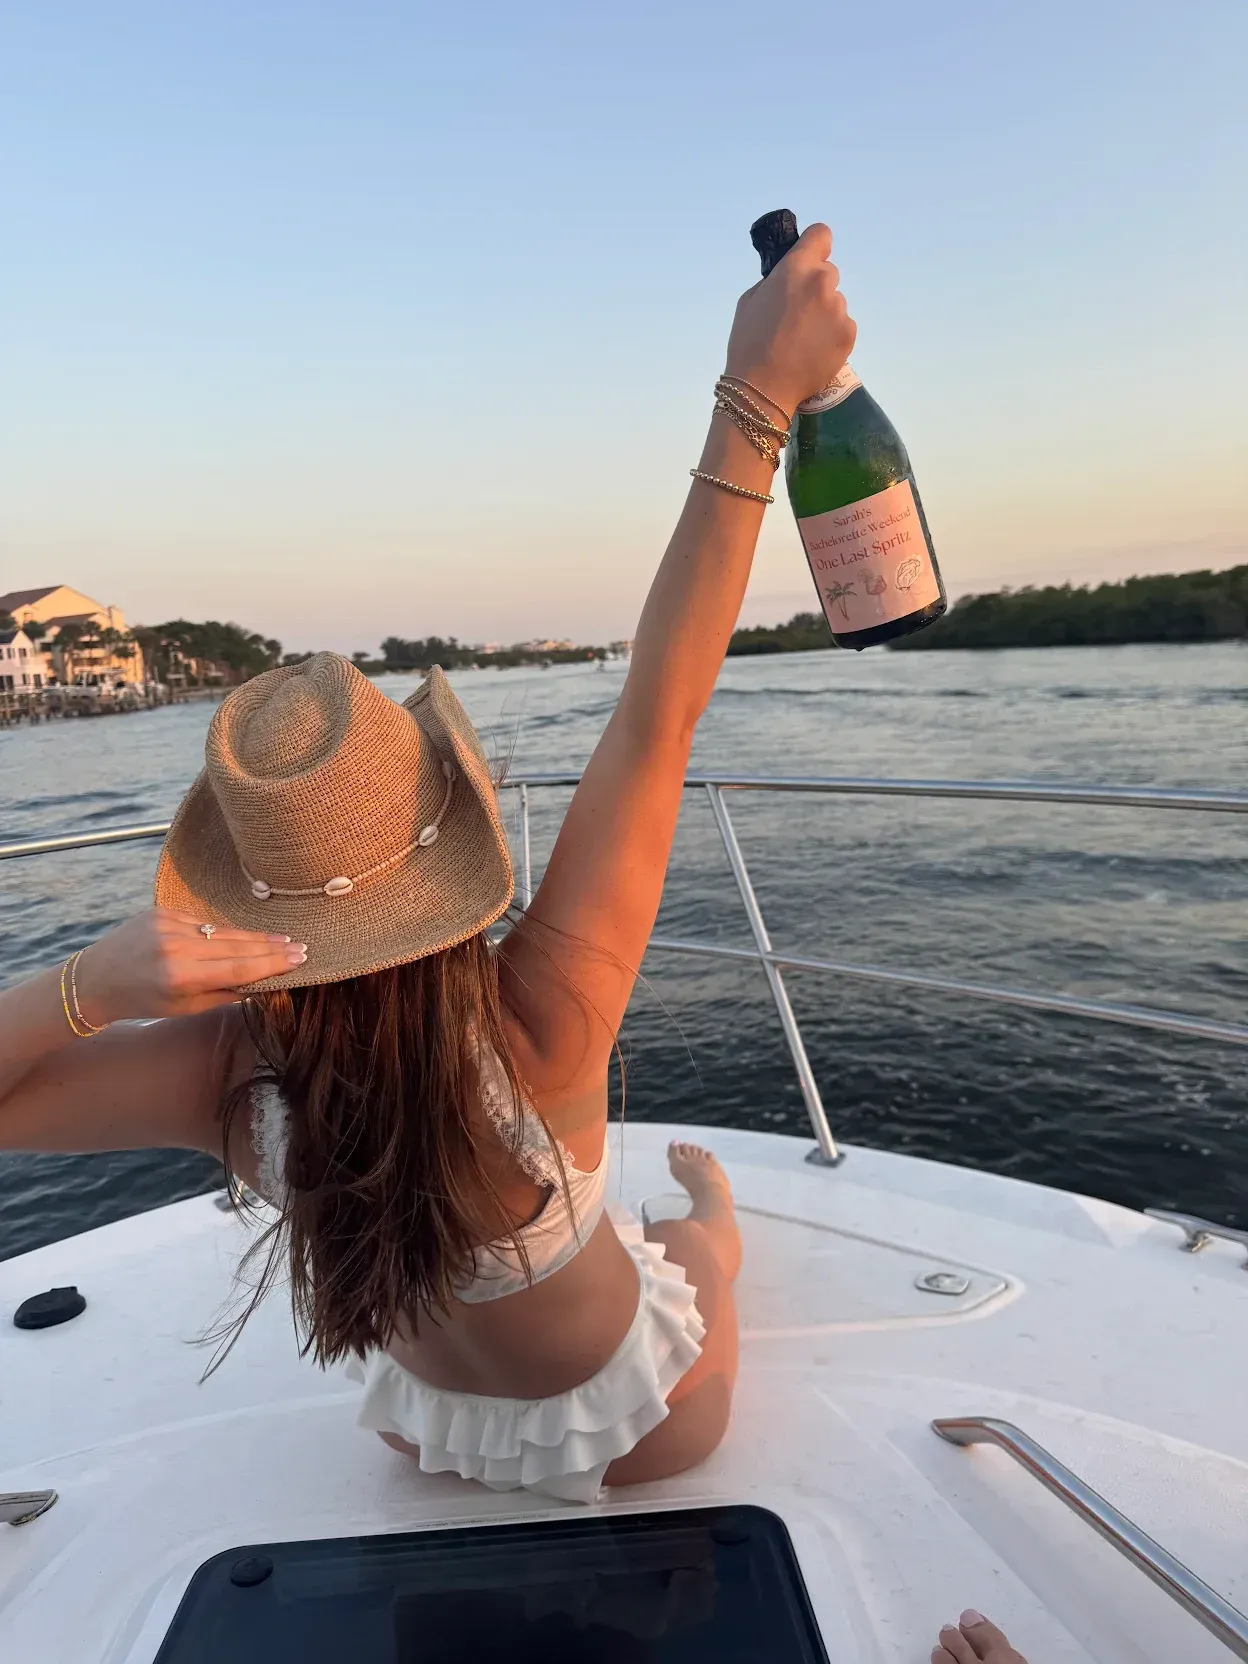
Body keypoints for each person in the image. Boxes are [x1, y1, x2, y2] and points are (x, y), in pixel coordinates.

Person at [0, 224, 854, 1502]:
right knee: (695, 1246)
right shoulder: (542, 1025)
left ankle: (693, 1231)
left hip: (427, 1431)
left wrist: (91, 985)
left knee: (651, 1242)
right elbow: (658, 712)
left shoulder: (226, 1082)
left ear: (241, 890)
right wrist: (760, 398)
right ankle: (716, 1226)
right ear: (444, 855)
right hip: (647, 1425)